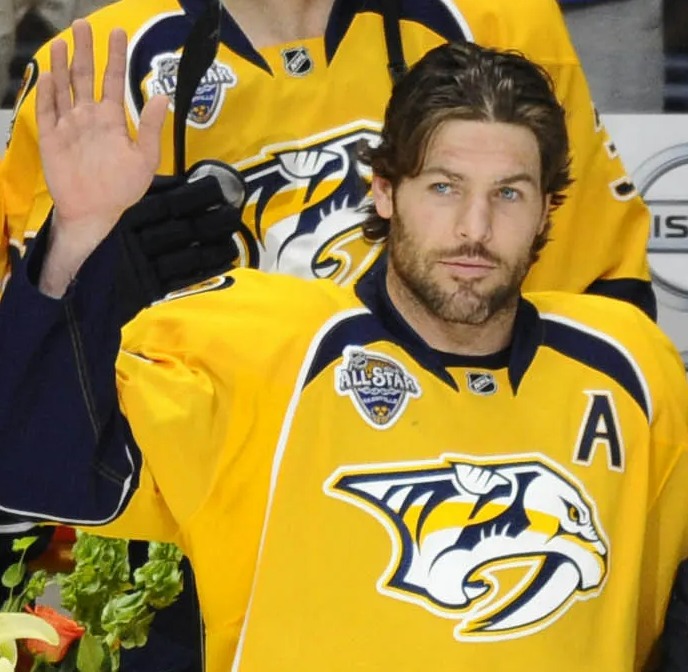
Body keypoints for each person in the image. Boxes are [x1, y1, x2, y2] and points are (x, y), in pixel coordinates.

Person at [1, 22, 687, 672]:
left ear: (546, 210)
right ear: (385, 191)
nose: (475, 228)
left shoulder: (630, 366)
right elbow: (33, 469)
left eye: (508, 193)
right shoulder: (257, 347)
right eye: (444, 187)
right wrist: (76, 239)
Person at [0, 0, 656, 318]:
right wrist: (82, 268)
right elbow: (28, 367)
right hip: (191, 496)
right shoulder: (93, 66)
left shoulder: (499, 23)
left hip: (449, 458)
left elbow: (599, 290)